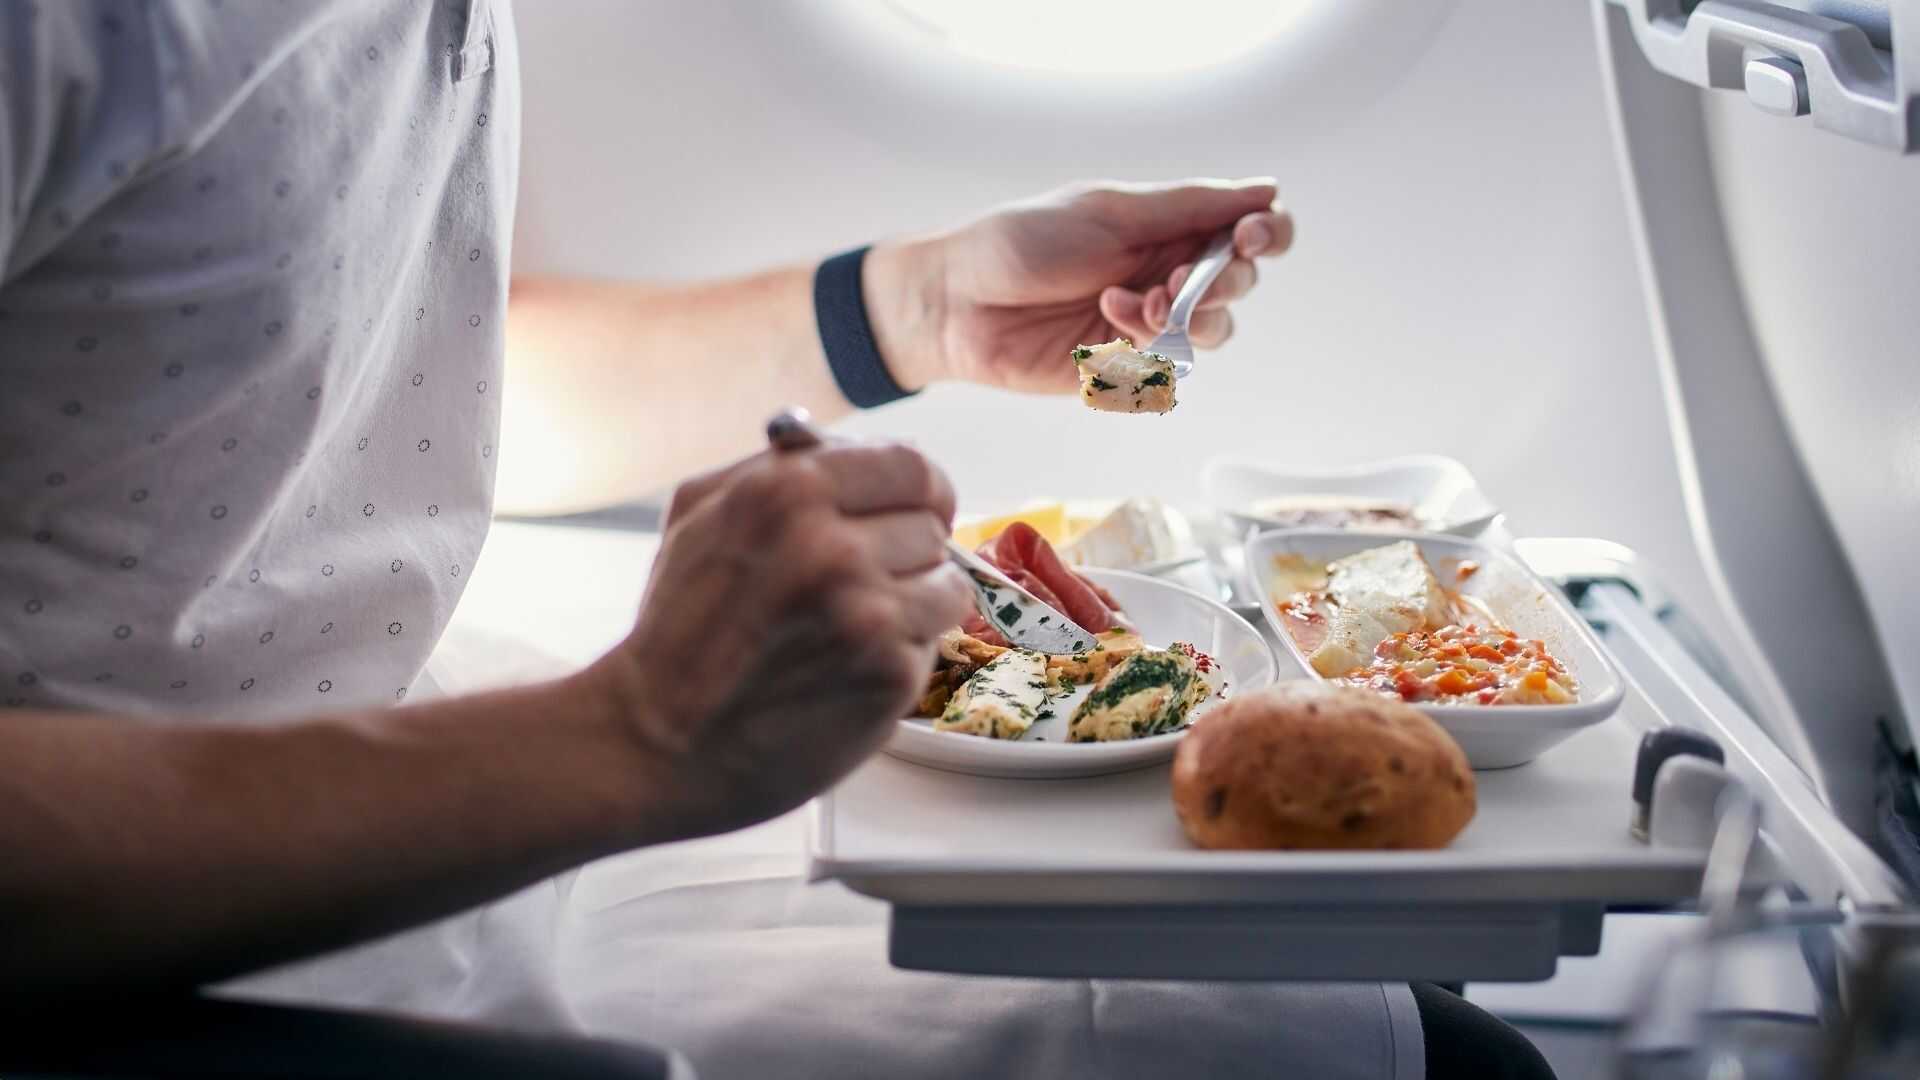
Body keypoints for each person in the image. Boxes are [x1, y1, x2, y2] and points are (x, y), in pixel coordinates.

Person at [0, 3, 1553, 1078]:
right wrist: (633, 733)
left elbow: (400, 381)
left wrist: (912, 307)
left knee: (1393, 1007)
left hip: (447, 779)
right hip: (207, 953)